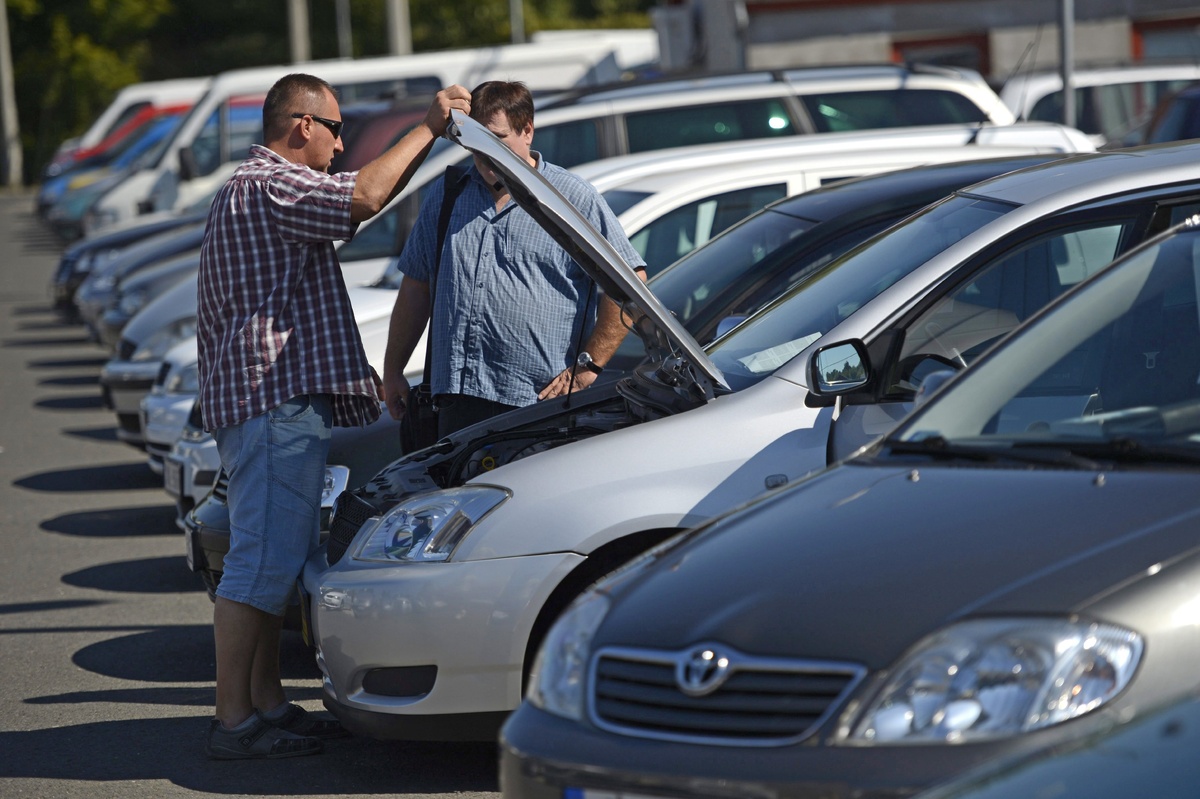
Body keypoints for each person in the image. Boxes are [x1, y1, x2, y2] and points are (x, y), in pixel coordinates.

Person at [196, 73, 470, 760]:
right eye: (337, 128)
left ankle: (264, 705)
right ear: (301, 127)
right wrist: (430, 126)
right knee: (259, 565)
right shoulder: (272, 184)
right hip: (272, 405)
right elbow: (368, 196)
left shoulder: (256, 189)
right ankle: (233, 720)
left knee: (273, 563)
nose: (343, 142)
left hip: (270, 405)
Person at [381, 80, 646, 438]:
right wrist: (394, 369)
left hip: (537, 406)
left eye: (498, 139)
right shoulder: (448, 194)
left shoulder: (570, 199)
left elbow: (631, 285)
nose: (484, 152)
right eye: (474, 139)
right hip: (456, 402)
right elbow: (417, 286)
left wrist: (586, 368)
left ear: (527, 132)